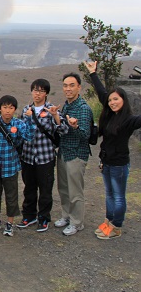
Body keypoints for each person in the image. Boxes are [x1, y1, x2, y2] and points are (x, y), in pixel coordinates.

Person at [85, 61, 141, 239]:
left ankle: (116, 226)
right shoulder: (109, 114)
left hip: (119, 164)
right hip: (106, 161)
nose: (112, 102)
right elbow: (102, 93)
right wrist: (93, 73)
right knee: (109, 194)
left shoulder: (129, 120)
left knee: (118, 197)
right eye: (110, 100)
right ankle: (109, 221)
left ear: (124, 100)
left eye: (116, 99)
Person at [18, 79, 68, 232]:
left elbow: (64, 130)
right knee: (29, 188)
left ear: (46, 93)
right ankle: (29, 216)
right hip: (28, 157)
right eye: (34, 90)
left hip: (45, 157)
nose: (37, 93)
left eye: (40, 90)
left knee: (45, 189)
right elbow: (22, 131)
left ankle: (44, 218)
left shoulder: (51, 110)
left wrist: (56, 117)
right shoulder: (26, 109)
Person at [0, 95, 35, 237]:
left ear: (15, 110)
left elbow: (29, 137)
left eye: (11, 108)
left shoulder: (19, 124)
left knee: (11, 196)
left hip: (10, 167)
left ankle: (10, 223)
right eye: (5, 107)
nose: (7, 110)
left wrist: (30, 119)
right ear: (0, 108)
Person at [54, 72, 93, 236]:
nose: (68, 89)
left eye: (72, 85)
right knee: (63, 188)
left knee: (75, 190)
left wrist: (75, 126)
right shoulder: (67, 106)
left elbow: (86, 135)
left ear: (79, 87)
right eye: (65, 85)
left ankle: (77, 222)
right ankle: (66, 216)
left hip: (76, 154)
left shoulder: (83, 108)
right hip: (63, 152)